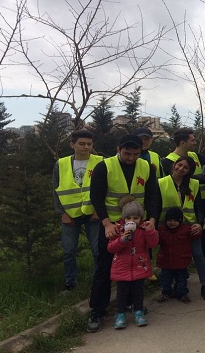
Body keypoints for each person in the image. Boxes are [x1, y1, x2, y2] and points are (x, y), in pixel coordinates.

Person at [86, 134, 159, 333]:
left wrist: (152, 220)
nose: (131, 158)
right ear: (118, 149)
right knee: (104, 267)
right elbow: (97, 197)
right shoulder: (105, 167)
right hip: (113, 226)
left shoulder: (146, 167)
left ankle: (131, 303)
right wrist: (107, 224)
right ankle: (97, 310)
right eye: (127, 153)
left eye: (136, 154)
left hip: (138, 225)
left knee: (137, 264)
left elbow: (153, 195)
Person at [160, 128, 205, 281]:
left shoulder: (194, 155)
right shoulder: (168, 160)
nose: (195, 142)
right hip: (177, 208)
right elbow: (185, 176)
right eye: (192, 140)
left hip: (199, 202)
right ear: (183, 142)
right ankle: (177, 275)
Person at [157, 155, 205, 301]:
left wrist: (200, 223)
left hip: (190, 226)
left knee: (198, 255)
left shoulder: (193, 184)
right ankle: (172, 286)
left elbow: (198, 205)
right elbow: (156, 205)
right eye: (179, 165)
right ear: (174, 164)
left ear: (190, 170)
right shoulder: (161, 183)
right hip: (169, 227)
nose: (181, 169)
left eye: (186, 167)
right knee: (171, 256)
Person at [53, 129, 103, 291]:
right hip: (70, 215)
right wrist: (62, 213)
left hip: (93, 214)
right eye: (82, 144)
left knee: (97, 251)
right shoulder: (61, 164)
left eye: (89, 144)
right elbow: (55, 189)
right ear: (72, 145)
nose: (86, 147)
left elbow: (106, 188)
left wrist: (99, 211)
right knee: (68, 251)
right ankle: (70, 282)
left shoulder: (100, 162)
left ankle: (99, 280)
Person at [108, 199, 159, 329]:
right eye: (128, 218)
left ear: (141, 218)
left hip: (139, 266)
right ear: (123, 219)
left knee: (138, 291)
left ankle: (139, 312)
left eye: (136, 218)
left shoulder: (143, 230)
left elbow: (153, 244)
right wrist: (122, 239)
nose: (132, 221)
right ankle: (120, 314)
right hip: (122, 267)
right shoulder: (119, 230)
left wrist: (150, 231)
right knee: (121, 293)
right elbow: (111, 248)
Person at [155, 207, 201, 304]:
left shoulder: (186, 230)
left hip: (181, 261)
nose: (172, 223)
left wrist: (198, 228)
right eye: (170, 220)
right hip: (166, 261)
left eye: (175, 220)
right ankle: (166, 293)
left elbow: (196, 235)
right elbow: (155, 241)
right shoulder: (162, 231)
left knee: (182, 279)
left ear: (180, 221)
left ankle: (182, 294)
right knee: (165, 279)